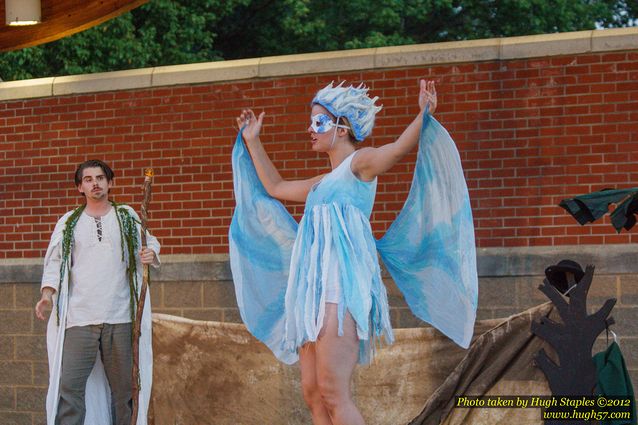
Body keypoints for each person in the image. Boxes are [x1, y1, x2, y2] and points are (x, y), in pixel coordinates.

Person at [229, 81, 478, 425]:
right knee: (313, 393)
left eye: (318, 123)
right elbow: (275, 187)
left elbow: (394, 150)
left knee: (333, 391)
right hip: (311, 298)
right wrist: (252, 141)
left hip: (341, 293)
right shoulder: (322, 183)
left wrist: (423, 114)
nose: (310, 130)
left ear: (342, 127)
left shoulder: (360, 165)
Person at [35, 159, 160, 425]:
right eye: (89, 179)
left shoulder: (126, 216)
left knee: (125, 391)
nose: (95, 183)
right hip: (79, 319)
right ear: (80, 187)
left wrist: (150, 253)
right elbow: (56, 262)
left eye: (100, 178)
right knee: (70, 389)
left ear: (110, 183)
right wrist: (47, 294)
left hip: (120, 317)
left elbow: (148, 243)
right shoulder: (69, 222)